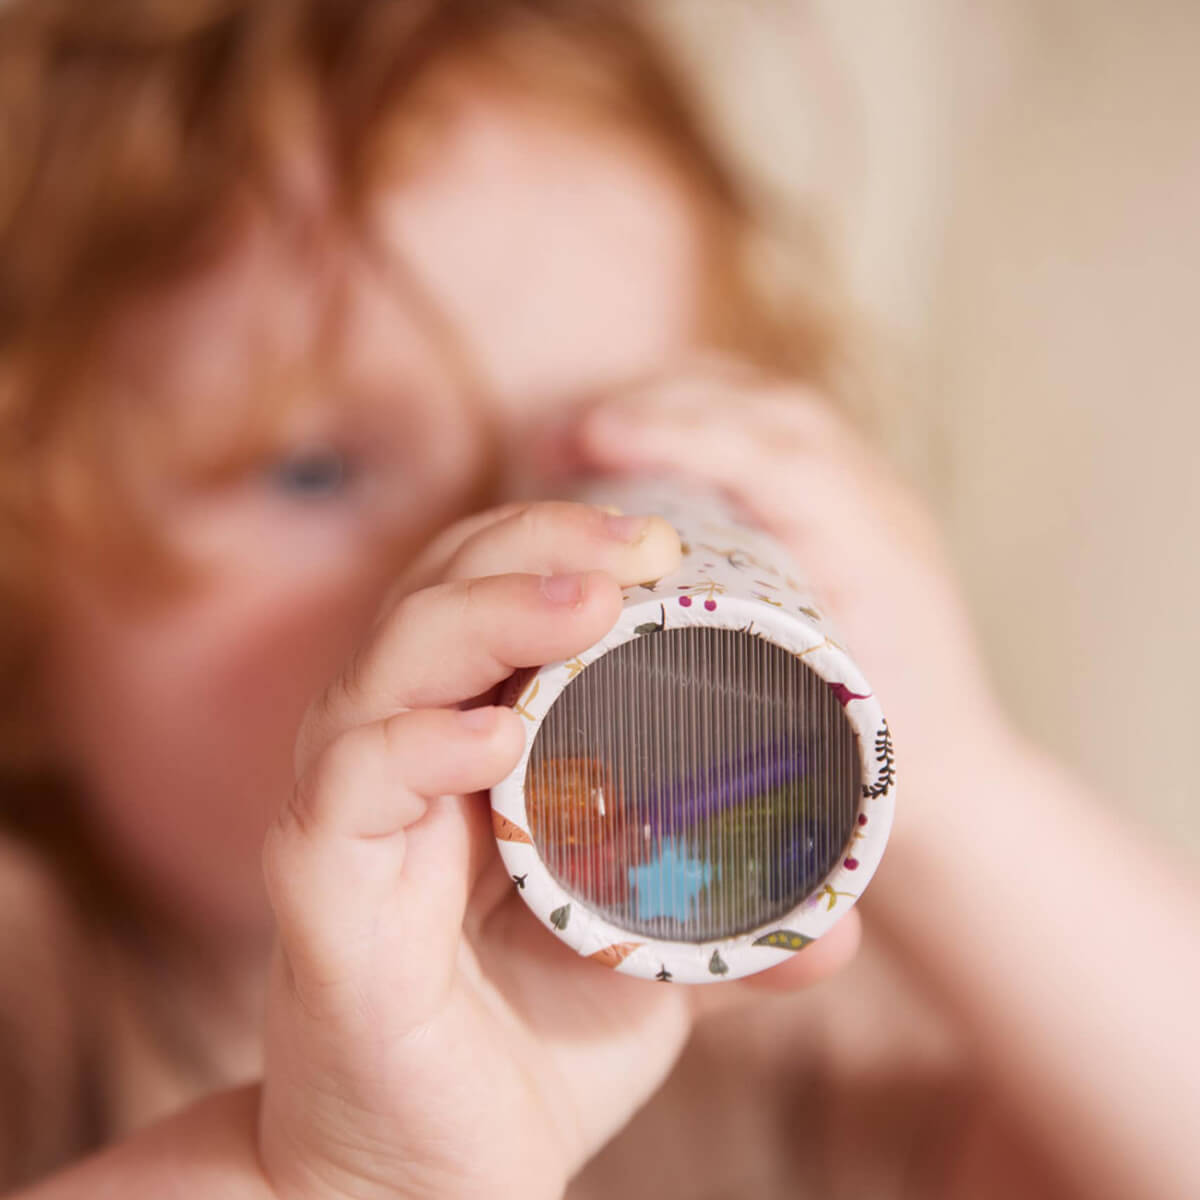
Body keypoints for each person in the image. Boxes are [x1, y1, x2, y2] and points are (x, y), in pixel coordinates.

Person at [0, 2, 1197, 1198]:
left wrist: (961, 796)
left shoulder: (750, 994)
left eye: (596, 484)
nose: (488, 567)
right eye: (320, 471)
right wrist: (334, 1181)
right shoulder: (38, 992)